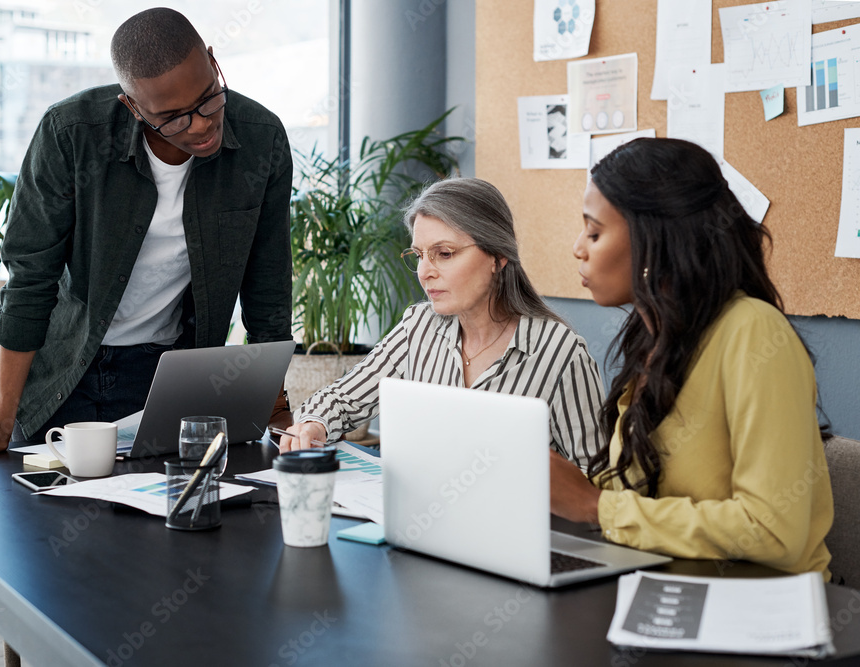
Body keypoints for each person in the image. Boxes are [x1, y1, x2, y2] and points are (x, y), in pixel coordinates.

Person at [0, 8, 293, 458]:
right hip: (63, 374)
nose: (202, 124)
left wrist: (277, 408)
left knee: (168, 516)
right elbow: (31, 282)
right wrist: (0, 423)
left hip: (170, 379)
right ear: (132, 106)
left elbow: (268, 292)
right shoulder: (71, 135)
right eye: (174, 117)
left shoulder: (262, 140)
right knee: (49, 517)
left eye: (209, 98)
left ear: (211, 59)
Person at [553, 137, 833, 577]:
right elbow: (641, 497)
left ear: (655, 238)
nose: (578, 248)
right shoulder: (653, 342)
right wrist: (565, 489)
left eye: (594, 231)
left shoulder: (753, 331)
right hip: (668, 579)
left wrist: (596, 507)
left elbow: (773, 531)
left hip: (762, 604)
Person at [279, 177, 604, 468]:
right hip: (417, 524)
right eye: (419, 255)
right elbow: (343, 399)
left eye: (444, 253)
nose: (425, 271)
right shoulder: (417, 327)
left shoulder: (560, 352)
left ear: (498, 257)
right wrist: (313, 424)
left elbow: (598, 482)